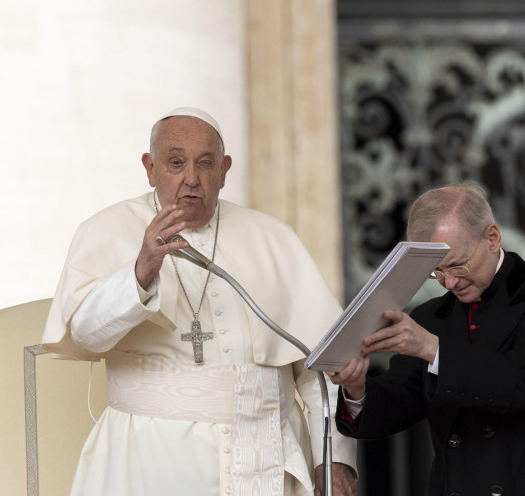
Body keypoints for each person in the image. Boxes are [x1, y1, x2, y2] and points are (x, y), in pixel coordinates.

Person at [41, 107, 358, 496]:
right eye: (176, 163)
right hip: (148, 461)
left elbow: (320, 366)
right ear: (150, 167)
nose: (191, 179)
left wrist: (336, 458)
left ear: (224, 170)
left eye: (205, 164)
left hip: (266, 458)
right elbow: (86, 335)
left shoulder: (273, 237)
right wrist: (140, 271)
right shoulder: (105, 229)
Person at [330, 181, 525, 495]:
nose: (450, 282)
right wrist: (356, 387)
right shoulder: (431, 317)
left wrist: (432, 348)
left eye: (457, 265)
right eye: (437, 272)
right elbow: (399, 404)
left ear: (492, 238)